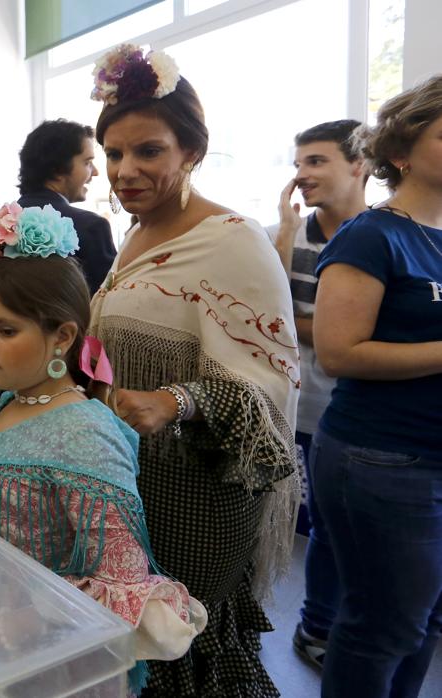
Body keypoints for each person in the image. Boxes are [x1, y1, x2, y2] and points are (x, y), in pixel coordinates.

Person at [86, 45, 300, 696]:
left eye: (147, 151)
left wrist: (174, 400)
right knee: (141, 638)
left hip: (200, 495)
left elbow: (270, 382)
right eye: (113, 154)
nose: (125, 170)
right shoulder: (135, 234)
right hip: (133, 482)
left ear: (190, 152)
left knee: (182, 641)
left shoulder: (233, 241)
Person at [0, 206, 205, 692]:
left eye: (6, 330)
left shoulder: (83, 434)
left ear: (63, 336)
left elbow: (119, 576)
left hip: (56, 655)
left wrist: (30, 615)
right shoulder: (7, 403)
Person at [310, 75, 442, 698]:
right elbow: (339, 352)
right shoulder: (373, 235)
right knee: (383, 627)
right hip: (384, 458)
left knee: (427, 623)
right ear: (401, 152)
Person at [268, 119, 368, 669]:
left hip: (368, 407)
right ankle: (318, 626)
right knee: (326, 526)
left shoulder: (385, 234)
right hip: (306, 409)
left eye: (317, 161)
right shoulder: (284, 234)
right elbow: (273, 319)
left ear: (361, 165)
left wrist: (326, 330)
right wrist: (283, 237)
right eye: (299, 162)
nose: (302, 174)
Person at [16, 119, 118, 294]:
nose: (95, 172)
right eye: (87, 162)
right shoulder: (91, 227)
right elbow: (107, 303)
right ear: (58, 169)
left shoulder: (1, 225)